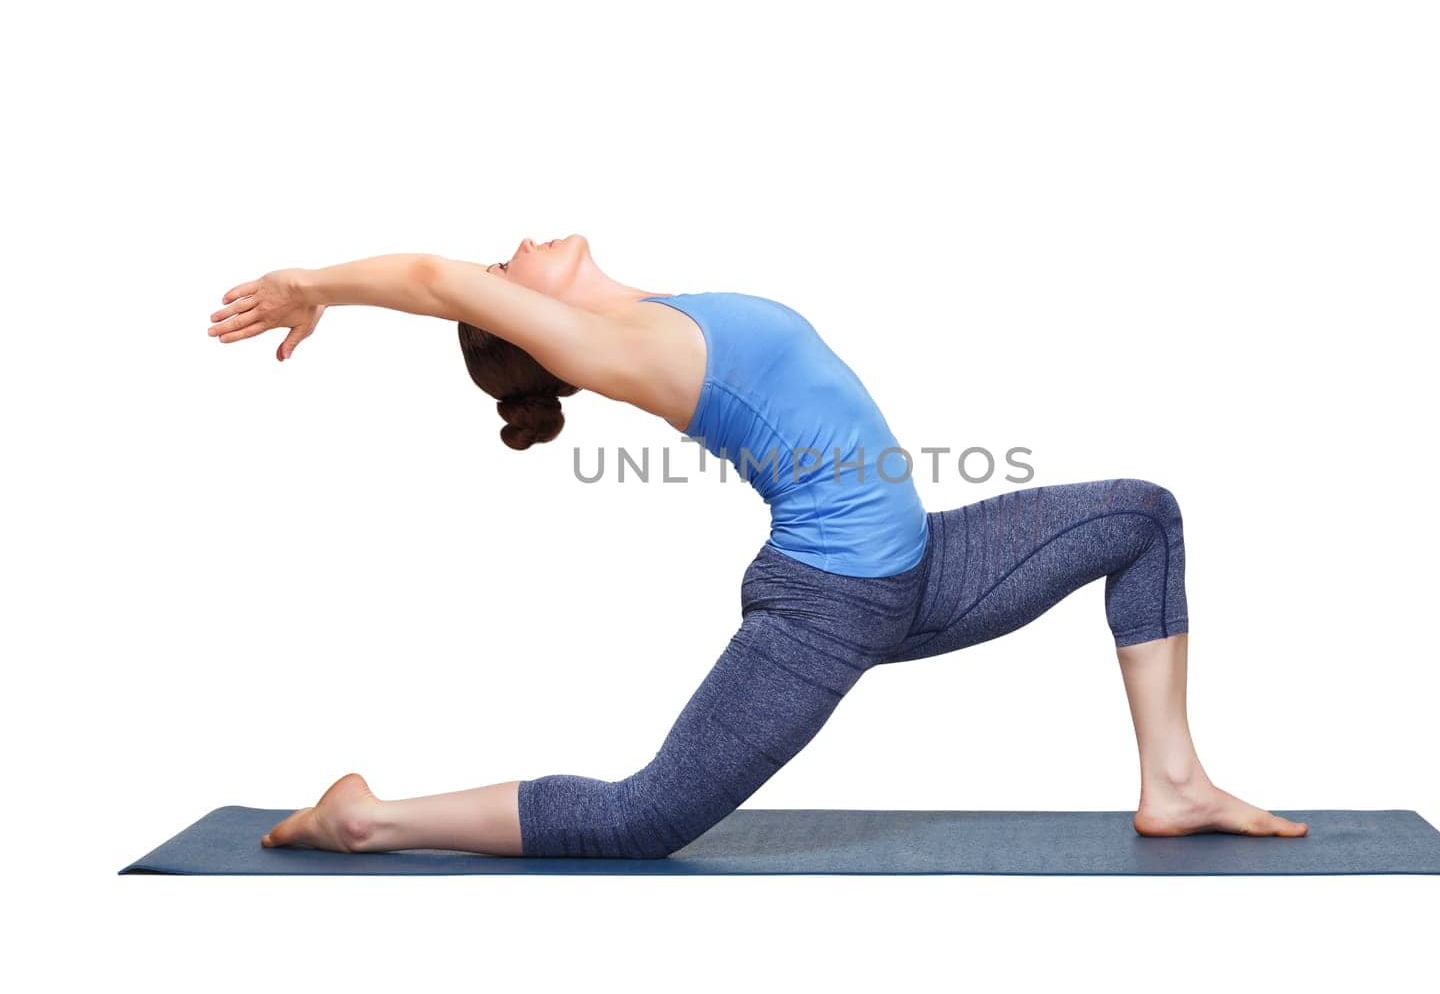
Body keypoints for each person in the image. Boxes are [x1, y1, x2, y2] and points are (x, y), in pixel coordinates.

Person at [206, 234, 1308, 858]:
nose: (518, 241)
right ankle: (369, 816)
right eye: (505, 264)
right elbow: (443, 283)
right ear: (523, 319)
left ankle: (1174, 781)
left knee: (1142, 515)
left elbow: (476, 285)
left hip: (915, 565)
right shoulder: (605, 347)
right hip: (829, 602)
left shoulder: (644, 307)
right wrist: (313, 287)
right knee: (647, 815)